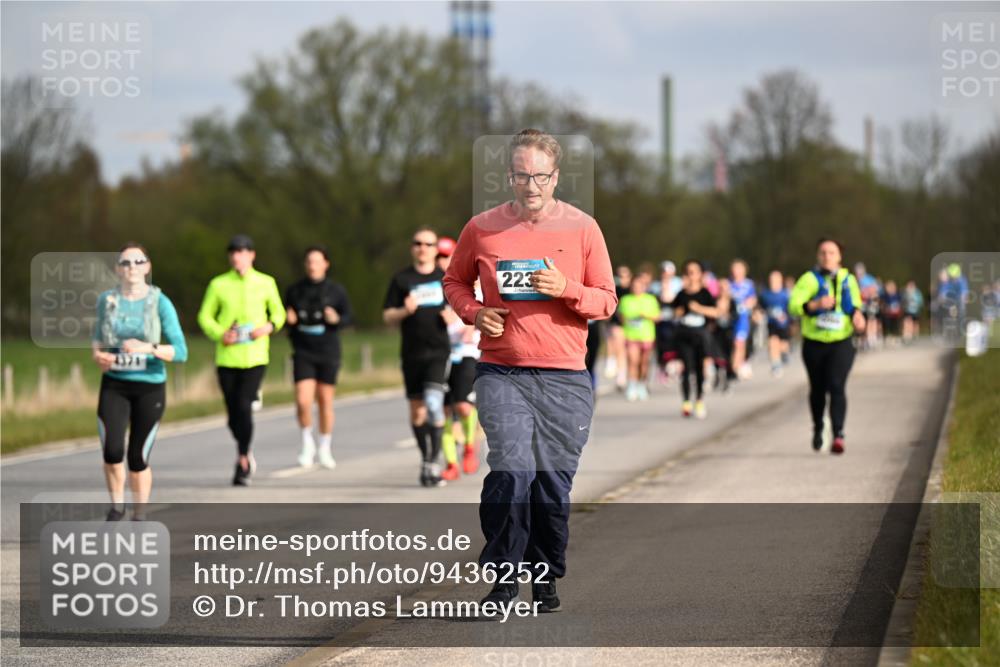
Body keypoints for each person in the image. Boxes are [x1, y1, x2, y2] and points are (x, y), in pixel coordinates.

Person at [443, 129, 616, 612]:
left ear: (555, 177)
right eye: (522, 175)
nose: (531, 185)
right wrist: (475, 312)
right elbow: (454, 281)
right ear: (509, 177)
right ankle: (503, 580)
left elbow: (606, 301)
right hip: (503, 371)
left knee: (551, 485)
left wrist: (566, 289)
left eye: (540, 176)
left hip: (565, 377)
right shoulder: (482, 228)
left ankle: (544, 574)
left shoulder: (583, 228)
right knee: (512, 470)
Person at [92, 244, 188, 520]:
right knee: (112, 451)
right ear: (117, 269)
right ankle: (117, 507)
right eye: (125, 262)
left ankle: (140, 513)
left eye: (138, 261)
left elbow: (181, 351)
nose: (131, 267)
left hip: (150, 386)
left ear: (147, 267)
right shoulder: (107, 300)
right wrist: (99, 356)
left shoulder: (160, 302)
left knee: (137, 457)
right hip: (115, 384)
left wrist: (148, 348)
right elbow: (97, 337)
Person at [197, 234, 285, 486]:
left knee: (244, 406)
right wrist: (220, 334)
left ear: (251, 255)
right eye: (234, 252)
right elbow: (204, 316)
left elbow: (278, 313)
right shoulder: (218, 284)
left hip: (255, 356)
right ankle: (244, 447)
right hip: (228, 357)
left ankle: (243, 459)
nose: (237, 257)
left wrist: (267, 327)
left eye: (242, 252)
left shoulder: (266, 282)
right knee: (233, 414)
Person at [383, 226, 456, 488]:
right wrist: (404, 311)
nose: (422, 248)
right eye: (418, 243)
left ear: (436, 249)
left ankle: (434, 461)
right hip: (412, 353)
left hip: (438, 351)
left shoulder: (445, 278)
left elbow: (464, 307)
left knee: (434, 404)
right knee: (417, 413)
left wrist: (453, 316)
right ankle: (426, 458)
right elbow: (387, 316)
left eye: (428, 244)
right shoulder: (402, 279)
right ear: (412, 248)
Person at [789, 238, 865, 455]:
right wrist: (814, 304)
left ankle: (838, 434)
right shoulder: (809, 279)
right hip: (814, 343)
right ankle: (818, 426)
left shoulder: (848, 279)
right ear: (817, 255)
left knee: (837, 385)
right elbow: (793, 306)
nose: (827, 257)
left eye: (831, 253)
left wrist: (858, 318)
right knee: (818, 389)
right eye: (823, 252)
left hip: (841, 341)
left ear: (839, 256)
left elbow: (855, 305)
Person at [284, 246, 353, 469]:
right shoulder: (295, 290)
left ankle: (325, 446)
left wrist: (336, 319)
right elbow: (282, 318)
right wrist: (289, 320)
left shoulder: (336, 291)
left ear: (325, 264)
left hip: (328, 351)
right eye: (309, 262)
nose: (312, 266)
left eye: (317, 261)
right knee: (303, 401)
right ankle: (307, 443)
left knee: (325, 401)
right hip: (303, 351)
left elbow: (349, 317)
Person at [436, 236, 482, 482]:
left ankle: (470, 446)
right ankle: (451, 463)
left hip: (466, 353)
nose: (441, 261)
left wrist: (466, 322)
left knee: (463, 406)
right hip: (440, 355)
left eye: (445, 256)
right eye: (438, 257)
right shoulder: (432, 287)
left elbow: (479, 315)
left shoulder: (470, 282)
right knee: (442, 411)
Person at [671, 260, 725, 418]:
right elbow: (674, 313)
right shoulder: (681, 294)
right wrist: (679, 312)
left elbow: (716, 312)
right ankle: (686, 402)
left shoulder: (705, 293)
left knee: (700, 368)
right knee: (686, 368)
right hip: (684, 335)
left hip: (701, 336)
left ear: (700, 274)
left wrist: (699, 309)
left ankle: (700, 400)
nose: (691, 275)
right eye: (688, 272)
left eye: (694, 272)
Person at [619, 264, 659, 401]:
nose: (637, 288)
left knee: (644, 363)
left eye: (639, 285)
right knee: (633, 361)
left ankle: (642, 384)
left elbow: (657, 317)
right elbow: (622, 317)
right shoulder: (625, 300)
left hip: (647, 336)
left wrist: (645, 315)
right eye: (634, 285)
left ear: (644, 286)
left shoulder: (650, 299)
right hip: (631, 335)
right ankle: (632, 385)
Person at [758, 270, 792, 377]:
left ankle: (784, 353)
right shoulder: (765, 294)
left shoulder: (786, 294)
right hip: (771, 323)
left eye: (776, 280)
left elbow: (792, 309)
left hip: (784, 325)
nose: (774, 282)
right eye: (772, 280)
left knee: (783, 345)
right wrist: (759, 314)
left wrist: (787, 317)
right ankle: (776, 365)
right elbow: (760, 307)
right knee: (772, 342)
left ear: (781, 280)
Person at [654, 260, 682, 383]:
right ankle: (662, 366)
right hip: (661, 320)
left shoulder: (679, 283)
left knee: (674, 343)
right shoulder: (655, 285)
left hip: (675, 320)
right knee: (662, 345)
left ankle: (674, 366)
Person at [729, 259, 757, 380]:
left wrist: (748, 305)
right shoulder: (728, 284)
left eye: (739, 268)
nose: (737, 271)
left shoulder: (748, 284)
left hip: (743, 318)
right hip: (731, 318)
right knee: (733, 343)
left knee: (739, 342)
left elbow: (753, 299)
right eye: (735, 268)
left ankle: (736, 367)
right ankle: (738, 365)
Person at [605, 265, 632, 389]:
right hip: (617, 322)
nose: (622, 279)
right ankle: (619, 374)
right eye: (620, 276)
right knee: (618, 346)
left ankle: (624, 374)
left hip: (632, 324)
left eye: (625, 276)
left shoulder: (632, 290)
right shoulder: (615, 289)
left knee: (628, 351)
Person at [881, 280, 903, 345]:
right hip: (887, 314)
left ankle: (895, 337)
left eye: (892, 286)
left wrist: (899, 308)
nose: (891, 288)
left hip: (896, 314)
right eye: (889, 287)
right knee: (887, 325)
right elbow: (882, 303)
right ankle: (887, 337)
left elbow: (901, 303)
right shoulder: (884, 295)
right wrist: (885, 308)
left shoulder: (898, 295)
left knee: (895, 326)